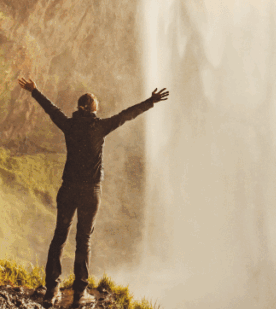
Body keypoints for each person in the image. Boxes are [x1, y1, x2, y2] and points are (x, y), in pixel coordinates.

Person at [18, 77, 169, 307]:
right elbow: (126, 115)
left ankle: (52, 290)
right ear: (90, 107)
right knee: (83, 240)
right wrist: (150, 101)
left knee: (59, 237)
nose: (98, 106)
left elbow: (52, 110)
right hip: (90, 191)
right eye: (96, 103)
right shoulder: (99, 127)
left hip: (68, 188)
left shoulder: (69, 125)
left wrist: (35, 91)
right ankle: (80, 294)